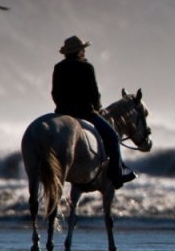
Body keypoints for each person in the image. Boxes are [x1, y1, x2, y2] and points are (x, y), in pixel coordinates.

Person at [52, 35, 136, 188]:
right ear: (79, 51)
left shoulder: (59, 67)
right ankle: (117, 175)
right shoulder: (86, 67)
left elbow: (55, 93)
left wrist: (62, 108)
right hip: (84, 112)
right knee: (114, 137)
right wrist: (97, 109)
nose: (84, 52)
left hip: (62, 114)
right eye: (83, 49)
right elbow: (94, 93)